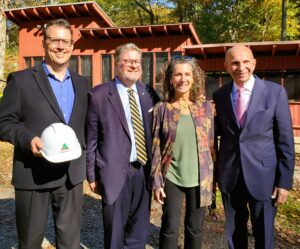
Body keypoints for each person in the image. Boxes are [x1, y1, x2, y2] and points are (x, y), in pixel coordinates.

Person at [0, 19, 89, 249]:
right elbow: (4, 122)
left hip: (70, 175)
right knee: (29, 242)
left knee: (70, 243)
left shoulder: (82, 83)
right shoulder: (21, 80)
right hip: (33, 173)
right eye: (55, 40)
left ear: (72, 46)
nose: (60, 46)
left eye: (65, 41)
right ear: (44, 43)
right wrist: (27, 139)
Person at [213, 44, 295, 249]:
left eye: (246, 61)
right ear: (226, 66)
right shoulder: (220, 95)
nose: (241, 67)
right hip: (230, 175)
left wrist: (284, 182)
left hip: (264, 176)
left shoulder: (275, 92)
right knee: (234, 232)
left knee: (264, 232)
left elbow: (285, 140)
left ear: (254, 63)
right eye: (234, 62)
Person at [86, 43, 159, 249]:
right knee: (115, 232)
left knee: (139, 230)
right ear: (116, 65)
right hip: (114, 172)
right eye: (127, 61)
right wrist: (91, 174)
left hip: (143, 171)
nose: (133, 65)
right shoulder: (99, 95)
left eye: (136, 61)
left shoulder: (148, 93)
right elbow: (91, 138)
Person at [150, 56, 215, 249]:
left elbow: (212, 146)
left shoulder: (206, 108)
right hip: (172, 177)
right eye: (178, 74)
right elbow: (155, 146)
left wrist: (214, 182)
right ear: (171, 79)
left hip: (200, 177)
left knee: (195, 228)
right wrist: (156, 181)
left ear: (194, 78)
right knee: (169, 227)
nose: (183, 79)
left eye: (187, 74)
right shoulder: (162, 109)